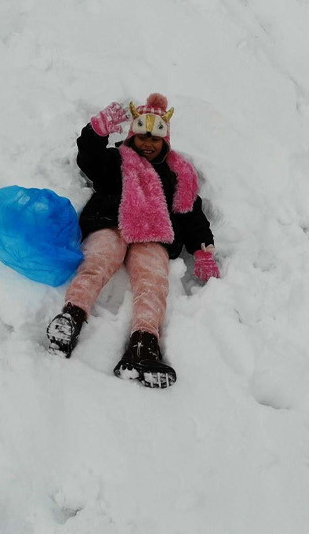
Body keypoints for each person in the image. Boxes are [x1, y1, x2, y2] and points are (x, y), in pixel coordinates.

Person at [45, 93, 221, 388]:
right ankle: (71, 317)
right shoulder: (115, 161)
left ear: (165, 142)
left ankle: (144, 343)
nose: (149, 143)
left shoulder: (176, 176)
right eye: (142, 137)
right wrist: (96, 131)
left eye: (155, 138)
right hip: (110, 223)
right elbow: (88, 158)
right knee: (98, 262)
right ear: (132, 137)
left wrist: (203, 249)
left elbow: (191, 214)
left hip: (154, 235)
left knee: (153, 281)